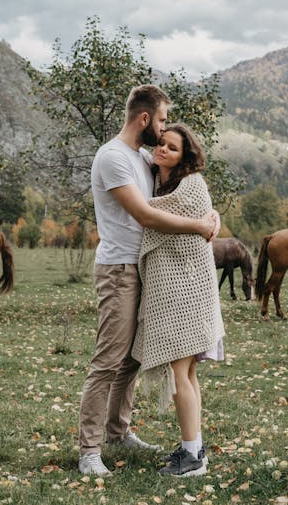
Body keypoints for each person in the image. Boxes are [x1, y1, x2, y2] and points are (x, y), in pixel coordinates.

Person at [78, 85, 219, 476]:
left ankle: (118, 432)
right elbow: (146, 215)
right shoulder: (113, 159)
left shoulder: (144, 157)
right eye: (159, 120)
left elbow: (183, 191)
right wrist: (200, 227)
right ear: (144, 119)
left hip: (148, 271)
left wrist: (212, 218)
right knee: (108, 361)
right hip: (120, 269)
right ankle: (89, 450)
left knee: (131, 362)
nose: (162, 128)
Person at [132, 123, 225, 477]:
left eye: (172, 148)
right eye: (161, 144)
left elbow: (149, 212)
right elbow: (136, 148)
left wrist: (212, 217)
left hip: (188, 291)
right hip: (180, 291)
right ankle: (194, 448)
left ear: (185, 156)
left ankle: (191, 459)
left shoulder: (190, 185)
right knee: (186, 373)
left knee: (179, 373)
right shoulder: (159, 177)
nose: (163, 150)